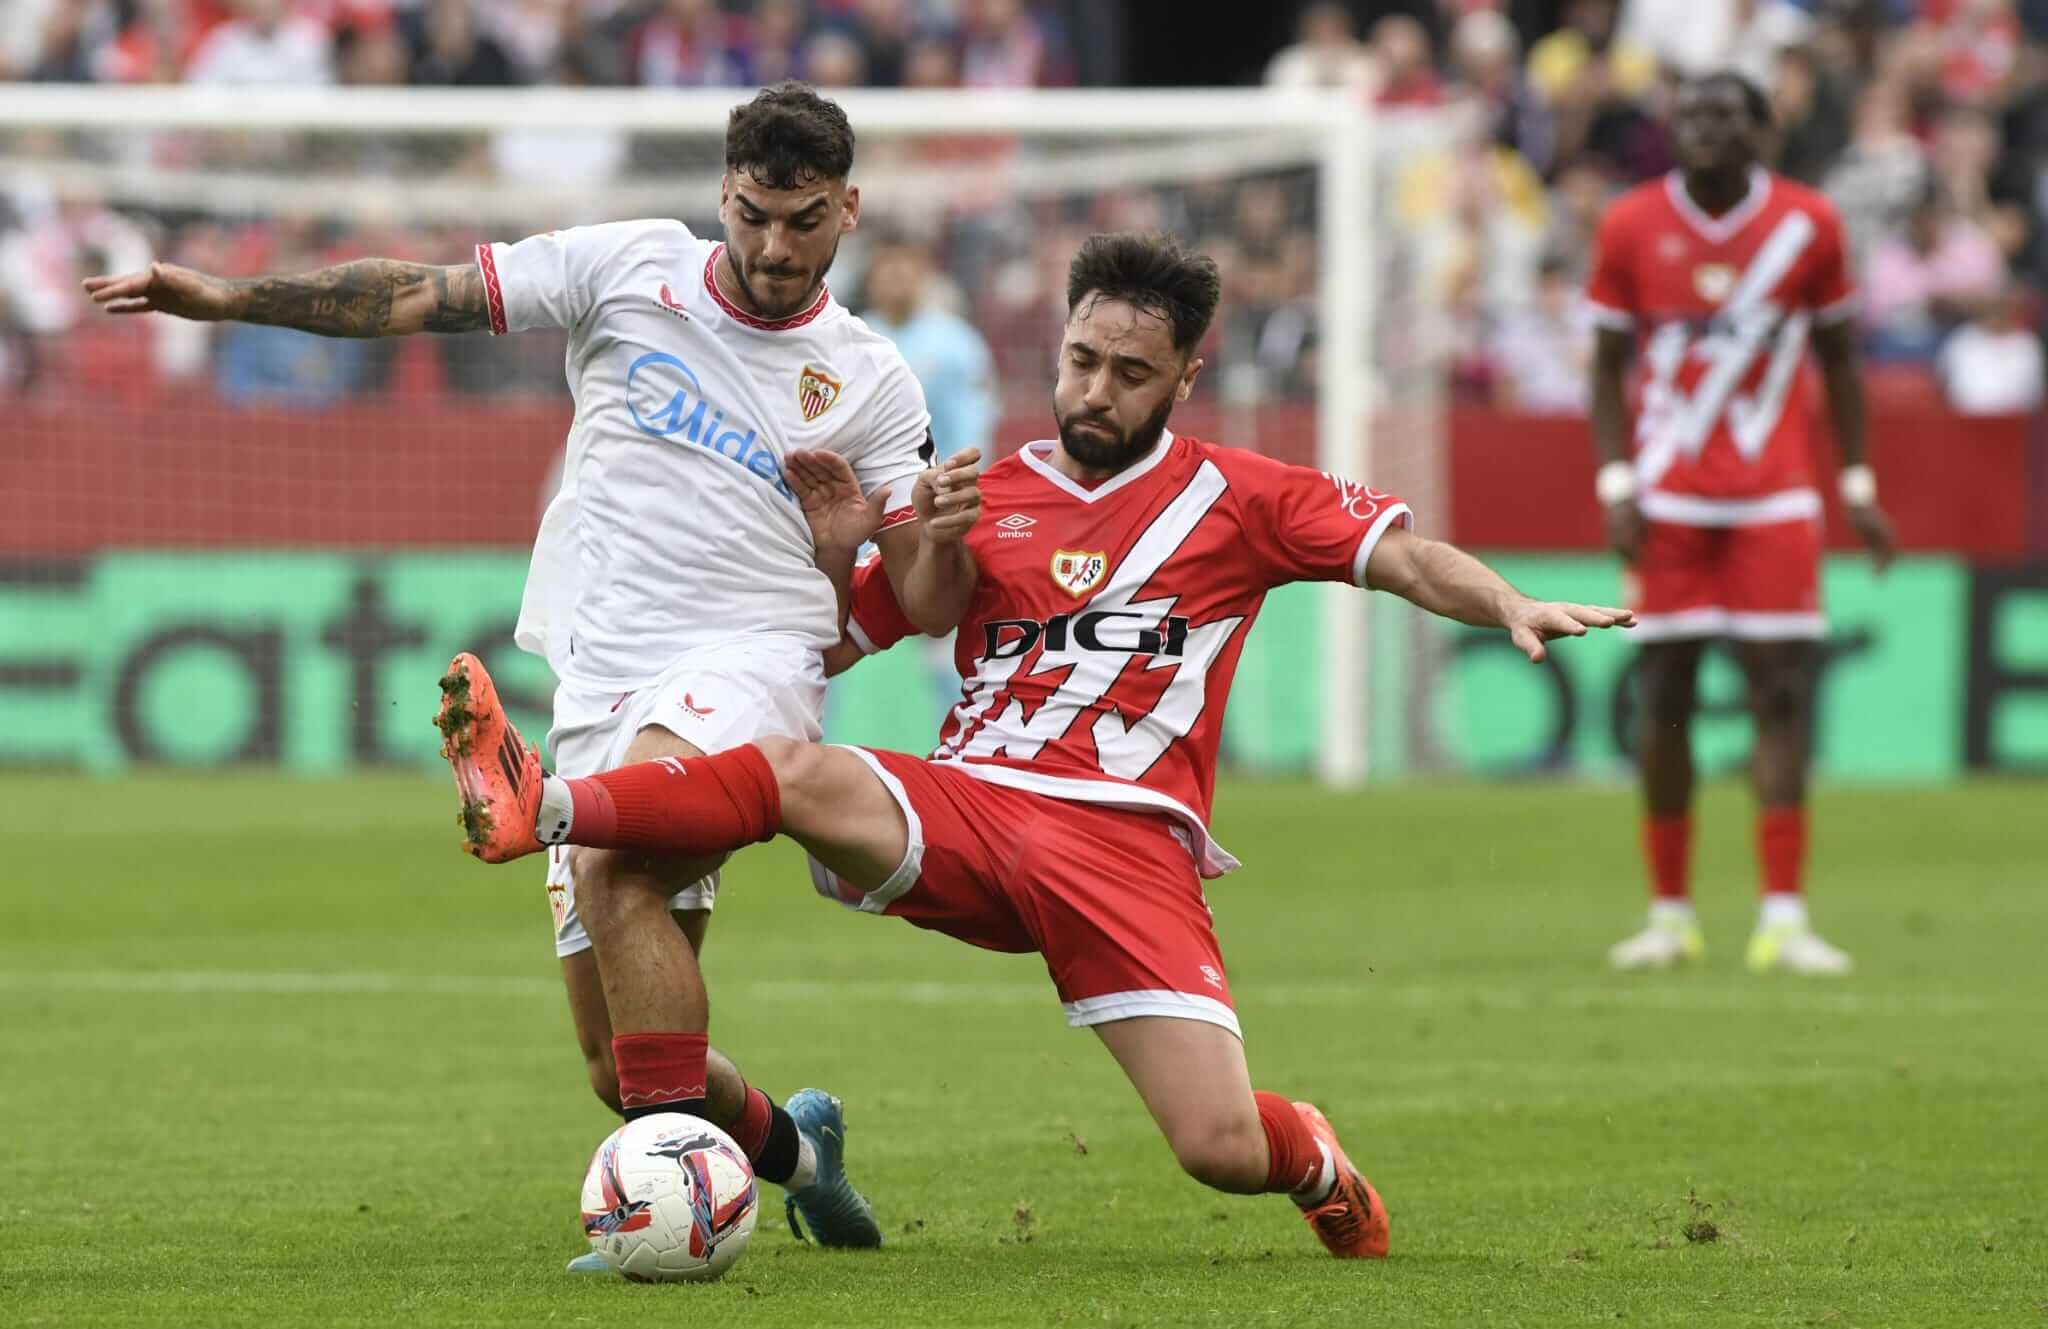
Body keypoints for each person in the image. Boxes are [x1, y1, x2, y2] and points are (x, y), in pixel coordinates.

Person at [436, 231, 1633, 1259]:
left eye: (1128, 373)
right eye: (1080, 361)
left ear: (1182, 378)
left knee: (1217, 1148)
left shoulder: (1243, 497)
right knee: (794, 771)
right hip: (970, 807)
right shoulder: (985, 495)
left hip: (1124, 849)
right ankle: (544, 808)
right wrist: (850, 544)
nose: (1095, 392)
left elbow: (1404, 557)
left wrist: (1509, 602)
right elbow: (834, 643)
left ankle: (1313, 1157)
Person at [84, 83, 983, 1261]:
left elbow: (923, 603)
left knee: (611, 869)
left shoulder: (869, 379)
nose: (772, 245)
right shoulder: (626, 268)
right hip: (601, 677)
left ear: (849, 211)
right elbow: (418, 296)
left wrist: (924, 534)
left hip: (748, 666)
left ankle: (661, 1221)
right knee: (619, 1063)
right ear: (722, 194)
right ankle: (803, 1157)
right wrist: (229, 301)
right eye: (754, 213)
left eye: (802, 219)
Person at [1586, 72, 1896, 976]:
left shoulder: (1809, 225)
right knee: (1665, 700)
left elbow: (1840, 358)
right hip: (1668, 500)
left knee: (1784, 697)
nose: (1706, 129)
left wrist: (1860, 481)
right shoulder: (1630, 224)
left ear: (1763, 129)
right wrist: (1615, 481)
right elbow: (1606, 364)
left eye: (1726, 115)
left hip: (1775, 499)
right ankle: (1671, 914)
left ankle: (1784, 916)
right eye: (1692, 115)